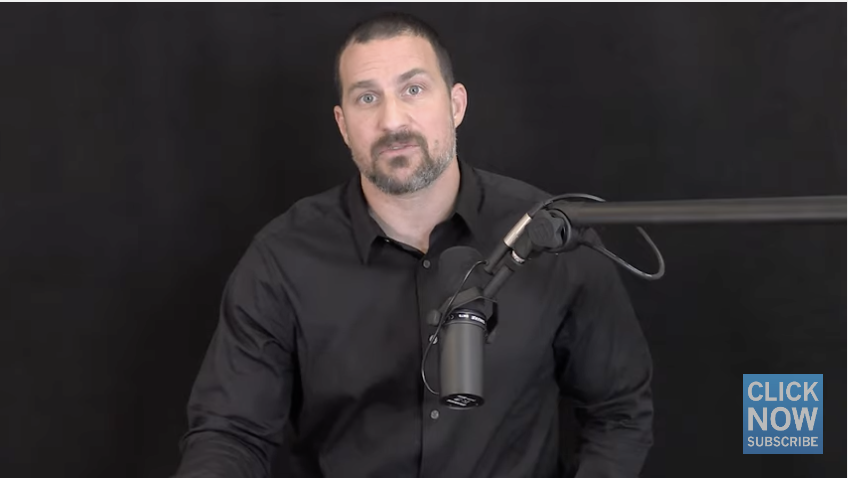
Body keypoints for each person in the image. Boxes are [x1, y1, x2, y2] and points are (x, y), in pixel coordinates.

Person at [173, 11, 653, 478]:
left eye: (414, 89)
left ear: (456, 104)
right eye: (367, 99)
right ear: (343, 124)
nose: (392, 120)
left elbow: (619, 411)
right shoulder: (282, 258)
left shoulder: (551, 235)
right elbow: (231, 433)